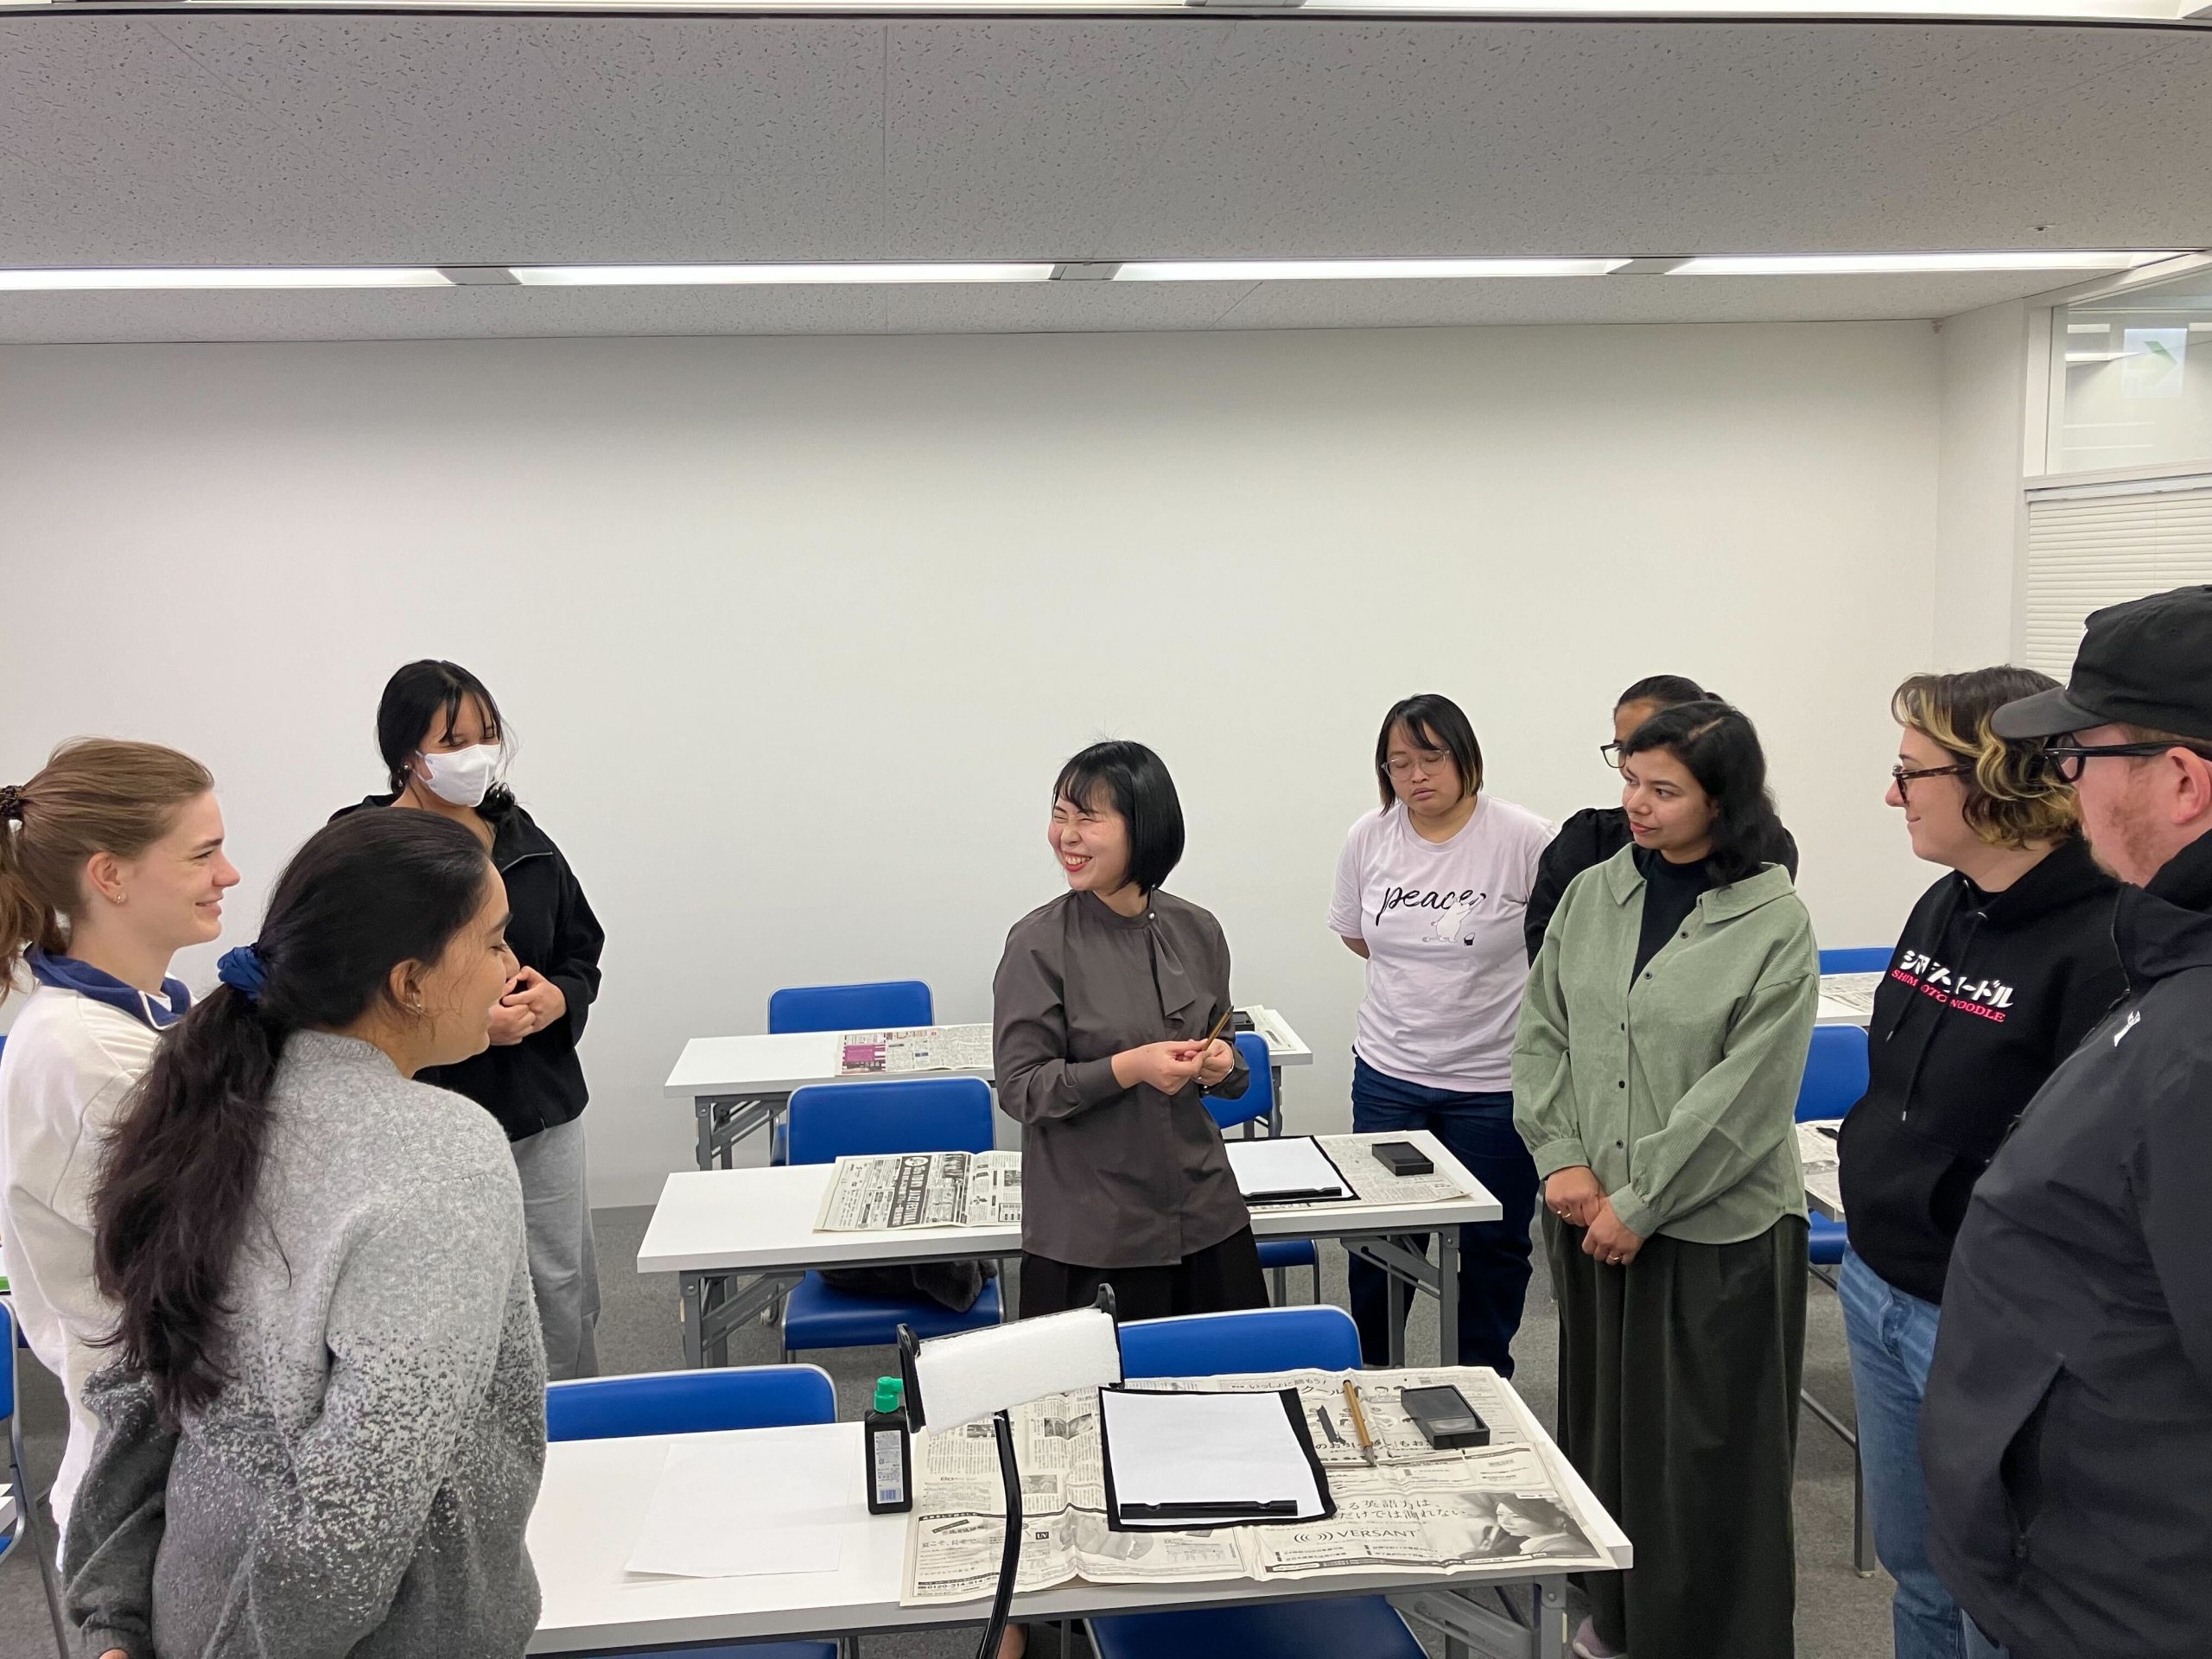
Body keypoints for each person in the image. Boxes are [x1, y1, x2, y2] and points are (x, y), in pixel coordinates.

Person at [63, 810, 547, 1659]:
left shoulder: (211, 1106)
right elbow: (356, 1513)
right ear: (410, 982)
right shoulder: (441, 1155)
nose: (511, 967)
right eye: (495, 941)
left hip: (188, 1609)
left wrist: (116, 1623)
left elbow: (143, 1394)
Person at [1922, 587, 2212, 1659]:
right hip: (2079, 1566)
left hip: (2123, 1599)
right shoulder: (2174, 961)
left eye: (2077, 756)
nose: (2063, 784)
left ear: (2180, 780)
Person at [1512, 700, 1819, 1659]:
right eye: (1629, 781)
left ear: (1722, 799)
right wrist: (1560, 1155)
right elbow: (1543, 1031)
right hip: (1588, 1213)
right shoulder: (1593, 894)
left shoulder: (1773, 921)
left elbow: (1746, 1097)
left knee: (1702, 1459)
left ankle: (1703, 1639)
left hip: (1710, 1232)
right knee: (1607, 1436)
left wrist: (1641, 1203)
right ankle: (1615, 1619)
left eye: (1662, 790)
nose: (1635, 805)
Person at [1836, 667, 2123, 1659]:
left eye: (1909, 773)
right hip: (1877, 1283)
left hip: (1984, 1319)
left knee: (1993, 1598)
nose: (1891, 797)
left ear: (1993, 776)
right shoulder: (1944, 903)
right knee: (1914, 1569)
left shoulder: (2105, 940)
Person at [333, 660, 606, 1378]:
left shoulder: (519, 836)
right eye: (453, 742)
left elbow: (581, 949)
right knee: (452, 1295)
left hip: (540, 1103)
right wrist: (474, 1026)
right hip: (426, 1115)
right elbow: (344, 989)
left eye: (486, 735)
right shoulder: (365, 851)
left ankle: (573, 1421)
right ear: (407, 754)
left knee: (560, 1285)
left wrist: (559, 998)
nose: (476, 756)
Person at [0, 739, 238, 1543]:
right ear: (110, 875)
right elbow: (238, 1252)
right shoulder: (92, 1055)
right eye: (203, 855)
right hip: (152, 1484)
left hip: (172, 1447)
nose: (228, 874)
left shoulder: (136, 1018)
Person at [994, 740, 1266, 1322]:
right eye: (1059, 816)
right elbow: (1021, 1089)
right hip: (1093, 1232)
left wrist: (1221, 1064)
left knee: (1233, 1376)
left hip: (1205, 1216)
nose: (1066, 836)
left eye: (1088, 818)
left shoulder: (1198, 929)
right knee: (1094, 1385)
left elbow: (1228, 1054)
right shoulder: (1038, 943)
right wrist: (1129, 1068)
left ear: (1145, 828)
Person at [1328, 693, 1554, 1370]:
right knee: (1381, 1238)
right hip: (1390, 1075)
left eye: (1431, 757)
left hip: (1494, 1081)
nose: (1416, 775)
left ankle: (1483, 1376)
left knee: (1494, 1242)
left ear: (1465, 757)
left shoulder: (1523, 837)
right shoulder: (1369, 836)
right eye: (1398, 763)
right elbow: (1357, 935)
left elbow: (1557, 943)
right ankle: (1376, 1371)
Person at [1525, 674, 1799, 961]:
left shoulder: (1765, 856)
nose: (1631, 760)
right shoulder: (1590, 844)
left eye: (1663, 791)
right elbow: (1547, 949)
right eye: (1623, 750)